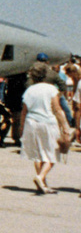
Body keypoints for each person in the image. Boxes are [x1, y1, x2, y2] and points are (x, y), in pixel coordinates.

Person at [21, 57, 72, 194]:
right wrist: (65, 127)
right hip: (47, 122)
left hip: (31, 123)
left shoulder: (29, 90)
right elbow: (57, 109)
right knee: (51, 154)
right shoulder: (51, 89)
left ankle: (42, 185)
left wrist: (20, 128)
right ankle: (40, 176)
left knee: (37, 155)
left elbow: (24, 111)